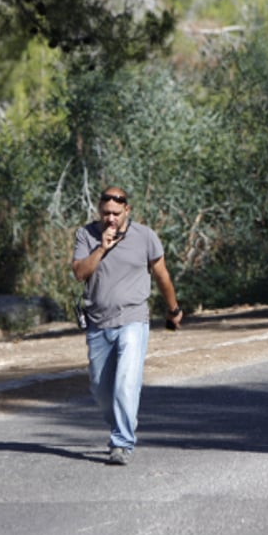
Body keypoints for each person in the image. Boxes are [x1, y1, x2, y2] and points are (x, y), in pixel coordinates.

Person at [72, 186, 183, 466]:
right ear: (99, 210)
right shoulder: (86, 235)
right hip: (98, 323)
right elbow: (79, 273)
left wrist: (173, 310)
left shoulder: (145, 237)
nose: (110, 218)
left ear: (127, 211)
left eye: (116, 213)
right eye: (106, 213)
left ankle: (121, 442)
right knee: (101, 390)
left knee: (125, 383)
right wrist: (102, 248)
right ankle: (124, 420)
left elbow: (162, 275)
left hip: (133, 319)